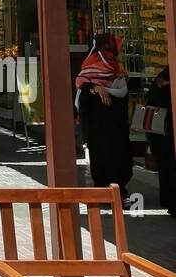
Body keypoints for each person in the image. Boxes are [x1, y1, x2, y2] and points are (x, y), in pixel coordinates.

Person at [75, 33, 134, 203]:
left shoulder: (117, 68)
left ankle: (118, 192)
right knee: (103, 156)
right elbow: (81, 87)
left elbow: (121, 93)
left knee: (120, 156)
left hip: (117, 124)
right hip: (99, 126)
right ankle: (104, 193)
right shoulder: (90, 68)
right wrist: (95, 87)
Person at [146, 66, 176, 216]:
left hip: (164, 133)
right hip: (166, 132)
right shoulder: (162, 82)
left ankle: (170, 202)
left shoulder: (161, 81)